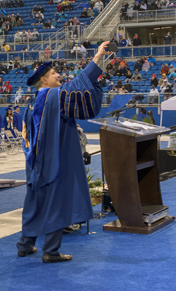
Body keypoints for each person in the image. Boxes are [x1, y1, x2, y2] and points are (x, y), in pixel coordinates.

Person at [16, 41, 108, 263]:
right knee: (57, 202)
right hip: (54, 162)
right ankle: (51, 251)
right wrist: (97, 59)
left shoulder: (31, 103)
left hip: (37, 164)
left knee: (36, 203)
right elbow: (77, 85)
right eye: (54, 73)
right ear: (43, 80)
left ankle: (25, 245)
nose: (59, 76)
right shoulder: (51, 97)